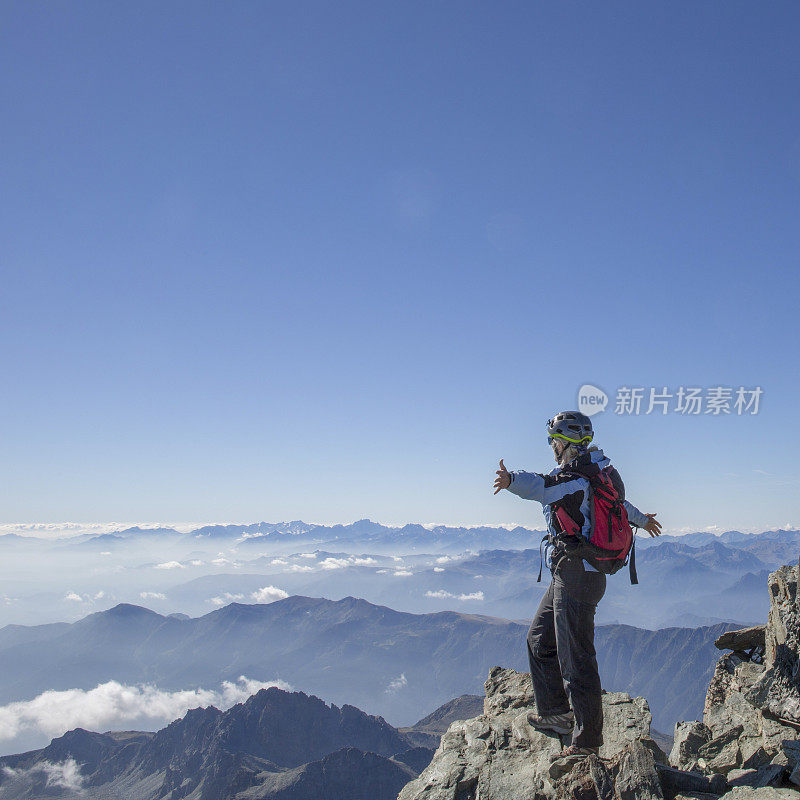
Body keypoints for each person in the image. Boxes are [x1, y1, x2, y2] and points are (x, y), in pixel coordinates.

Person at [493, 411, 661, 760]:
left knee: (577, 661)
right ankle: (555, 715)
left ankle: (586, 744)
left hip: (578, 577)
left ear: (565, 442)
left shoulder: (571, 480)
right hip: (569, 573)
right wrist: (642, 520)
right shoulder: (599, 473)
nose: (552, 446)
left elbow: (538, 486)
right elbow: (618, 505)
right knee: (539, 640)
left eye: (554, 440)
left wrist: (510, 480)